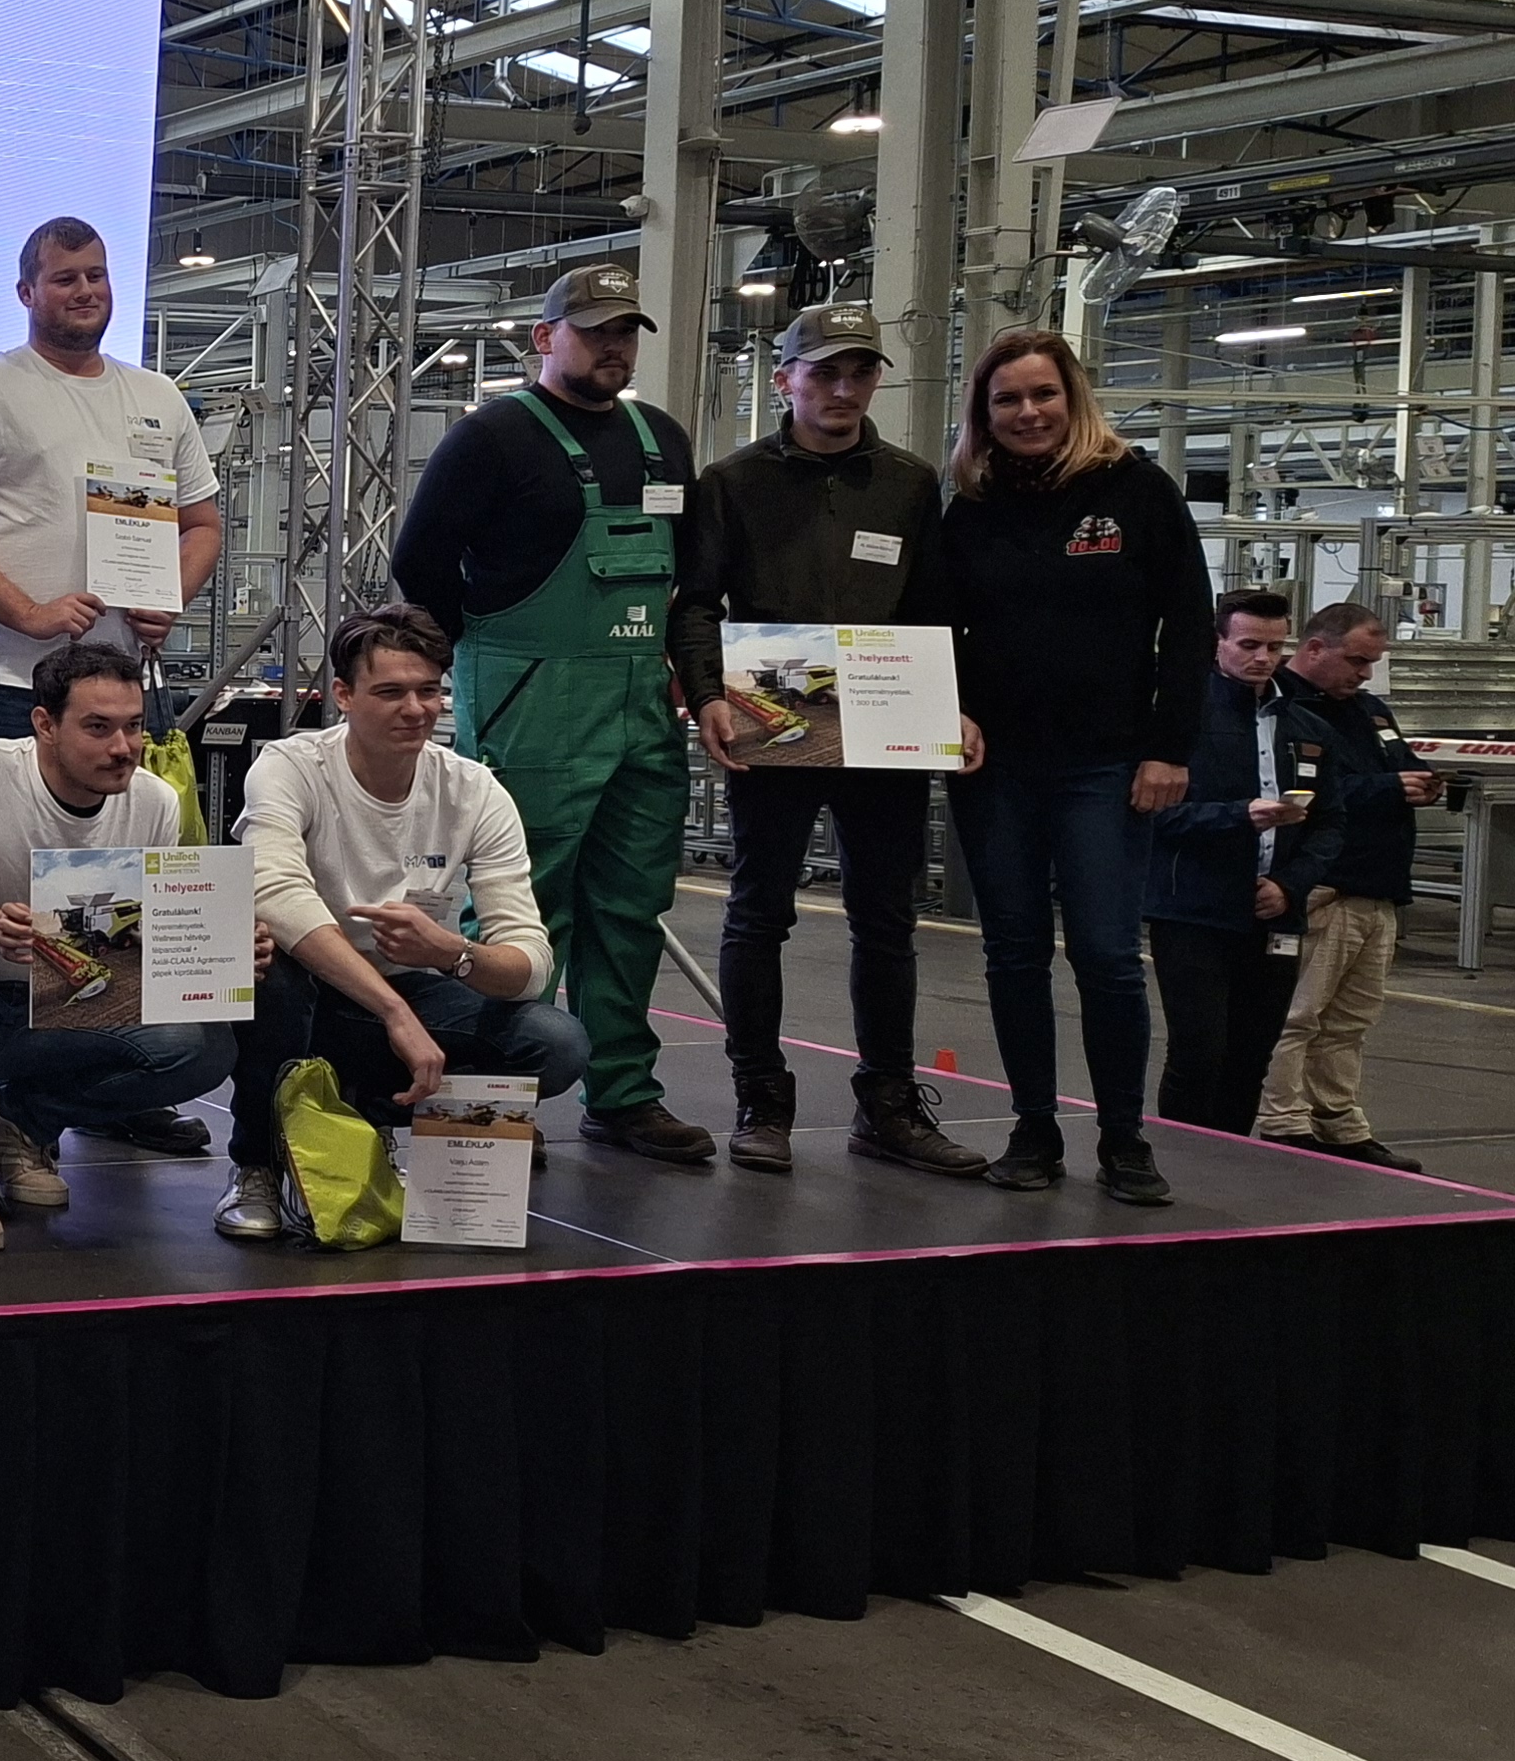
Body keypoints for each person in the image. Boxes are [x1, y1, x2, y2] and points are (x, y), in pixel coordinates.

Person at [391, 260, 711, 1166]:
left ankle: (625, 1093)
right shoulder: (491, 438)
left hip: (639, 709)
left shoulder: (662, 439)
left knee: (630, 908)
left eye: (625, 331)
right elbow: (419, 563)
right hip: (531, 700)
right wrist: (487, 649)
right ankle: (492, 1106)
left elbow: (690, 570)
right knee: (517, 908)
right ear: (544, 337)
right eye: (594, 329)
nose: (614, 345)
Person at [670, 300, 983, 1177]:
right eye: (825, 373)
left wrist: (951, 704)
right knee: (757, 912)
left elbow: (934, 610)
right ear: (786, 380)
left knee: (886, 921)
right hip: (774, 712)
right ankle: (761, 1100)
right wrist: (708, 695)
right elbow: (695, 603)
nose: (844, 389)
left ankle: (888, 1105)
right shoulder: (732, 482)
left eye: (861, 372)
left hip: (885, 718)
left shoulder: (911, 483)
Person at [937, 327, 1210, 1204]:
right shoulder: (970, 508)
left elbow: (1190, 626)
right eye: (1007, 400)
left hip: (1107, 765)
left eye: (1042, 394)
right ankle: (1034, 1128)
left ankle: (1125, 1138)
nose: (1028, 412)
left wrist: (1170, 747)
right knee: (1014, 954)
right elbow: (936, 629)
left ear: (1073, 397)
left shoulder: (1137, 491)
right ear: (984, 413)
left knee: (1106, 955)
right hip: (996, 769)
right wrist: (950, 711)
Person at [214, 605, 586, 1243]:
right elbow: (274, 892)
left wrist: (453, 953)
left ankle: (368, 1121)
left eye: (429, 691)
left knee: (556, 1043)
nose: (415, 709)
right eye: (390, 692)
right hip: (307, 991)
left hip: (404, 987)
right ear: (343, 695)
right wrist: (394, 1012)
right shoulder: (290, 766)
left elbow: (530, 961)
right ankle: (257, 1162)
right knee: (266, 969)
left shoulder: (474, 790)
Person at [0, 638, 244, 1245]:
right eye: (98, 728)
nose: (123, 747)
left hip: (61, 1002)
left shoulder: (155, 801)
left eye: (134, 726)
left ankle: (18, 1120)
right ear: (45, 725)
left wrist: (222, 948)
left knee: (205, 1044)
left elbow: (146, 939)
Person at [0, 217, 221, 745]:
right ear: (26, 293)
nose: (85, 291)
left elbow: (201, 525)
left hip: (123, 684)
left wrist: (171, 598)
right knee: (2, 806)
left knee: (129, 806)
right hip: (7, 681)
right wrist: (29, 614)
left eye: (96, 276)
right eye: (65, 279)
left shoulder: (159, 396)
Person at [1145, 589, 1342, 1141]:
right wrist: (1238, 816)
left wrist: (1289, 886)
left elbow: (1331, 824)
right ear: (1217, 643)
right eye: (1249, 645)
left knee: (1251, 1054)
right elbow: (1151, 814)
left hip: (1274, 915)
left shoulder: (1309, 729)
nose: (1263, 658)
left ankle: (1232, 1159)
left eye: (1275, 647)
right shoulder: (1180, 722)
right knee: (1198, 1051)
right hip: (1193, 910)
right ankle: (1181, 1157)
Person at [1260, 599, 1439, 1166]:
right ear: (1316, 648)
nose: (1364, 674)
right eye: (1357, 661)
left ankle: (1337, 1120)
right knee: (1298, 1014)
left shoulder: (1371, 710)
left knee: (1350, 1021)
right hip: (1326, 886)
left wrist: (1421, 781)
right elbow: (1304, 795)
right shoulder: (1283, 708)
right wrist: (1389, 789)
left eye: (1372, 664)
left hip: (1379, 887)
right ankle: (1283, 1118)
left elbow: (1398, 763)